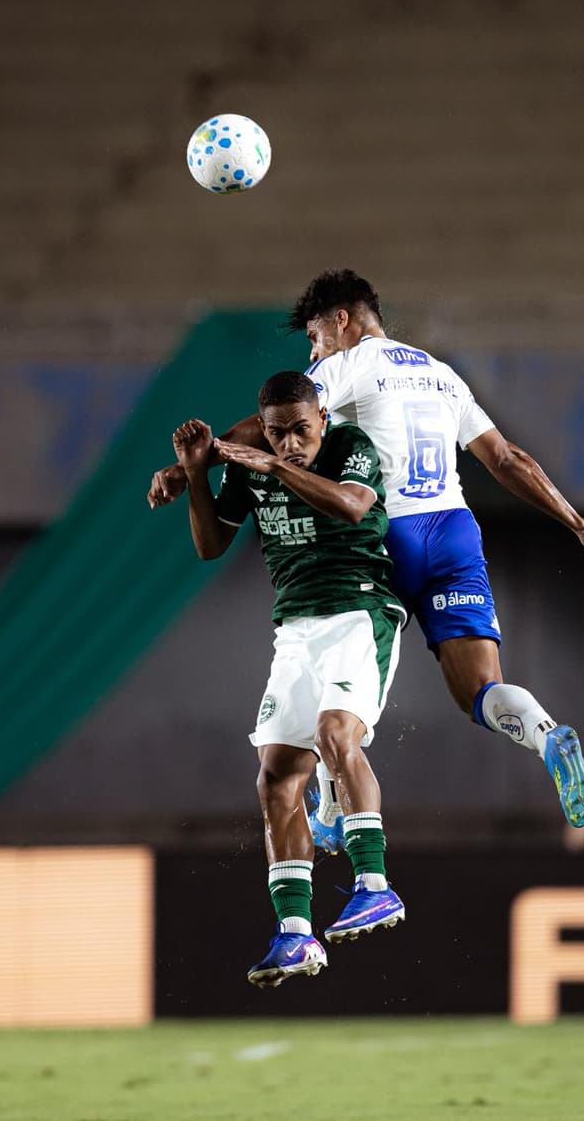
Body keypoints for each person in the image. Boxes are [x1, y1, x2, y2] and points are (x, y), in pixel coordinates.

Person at [149, 269, 584, 842]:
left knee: (334, 662)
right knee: (479, 689)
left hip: (385, 534)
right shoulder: (441, 374)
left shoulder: (346, 363)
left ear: (340, 321)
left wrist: (191, 466)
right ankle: (546, 733)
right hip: (453, 531)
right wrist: (575, 521)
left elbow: (278, 422)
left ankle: (330, 808)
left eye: (313, 337)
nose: (312, 350)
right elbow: (505, 459)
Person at [173, 370, 406, 987]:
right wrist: (197, 474)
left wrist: (275, 468)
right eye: (277, 434)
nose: (290, 443)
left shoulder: (348, 445)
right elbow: (209, 546)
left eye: (300, 429)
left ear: (321, 417)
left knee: (336, 733)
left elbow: (354, 505)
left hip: (359, 613)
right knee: (276, 775)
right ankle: (297, 934)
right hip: (296, 630)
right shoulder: (253, 464)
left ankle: (375, 885)